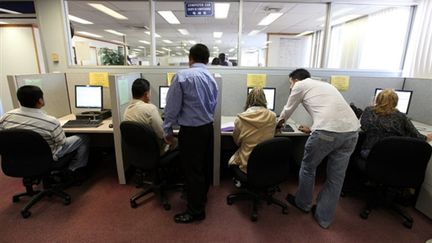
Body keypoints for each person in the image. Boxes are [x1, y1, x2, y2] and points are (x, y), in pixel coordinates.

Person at [277, 68, 360, 229]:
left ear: (295, 80)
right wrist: (315, 128)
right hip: (351, 132)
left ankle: (303, 203)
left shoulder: (299, 85)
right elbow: (333, 112)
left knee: (308, 168)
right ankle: (324, 218)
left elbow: (287, 110)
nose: (290, 87)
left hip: (328, 133)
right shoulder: (326, 85)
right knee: (336, 178)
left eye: (290, 83)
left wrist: (277, 126)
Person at [163, 43, 218, 224]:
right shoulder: (212, 78)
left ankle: (196, 211)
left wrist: (167, 128)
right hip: (207, 129)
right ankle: (200, 199)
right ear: (207, 60)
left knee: (192, 171)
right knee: (202, 168)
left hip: (191, 132)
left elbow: (171, 106)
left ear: (190, 59)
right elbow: (212, 105)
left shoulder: (182, 76)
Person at [0, 85, 90, 181]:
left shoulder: (6, 117)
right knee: (84, 137)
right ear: (40, 101)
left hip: (16, 158)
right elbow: (62, 142)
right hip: (46, 157)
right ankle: (73, 170)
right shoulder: (50, 121)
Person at [359, 89, 432, 161]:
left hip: (370, 152)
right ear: (395, 102)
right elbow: (416, 135)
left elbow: (363, 127)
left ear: (377, 99)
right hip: (395, 154)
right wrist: (427, 138)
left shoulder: (369, 111)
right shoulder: (401, 116)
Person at [228, 87, 276, 173]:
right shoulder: (272, 116)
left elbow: (236, 141)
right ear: (264, 99)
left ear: (249, 100)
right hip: (266, 162)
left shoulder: (241, 118)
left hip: (247, 163)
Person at [123, 78, 176, 155]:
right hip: (154, 152)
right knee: (177, 141)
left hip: (136, 154)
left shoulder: (127, 110)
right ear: (146, 94)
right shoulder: (150, 109)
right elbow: (163, 134)